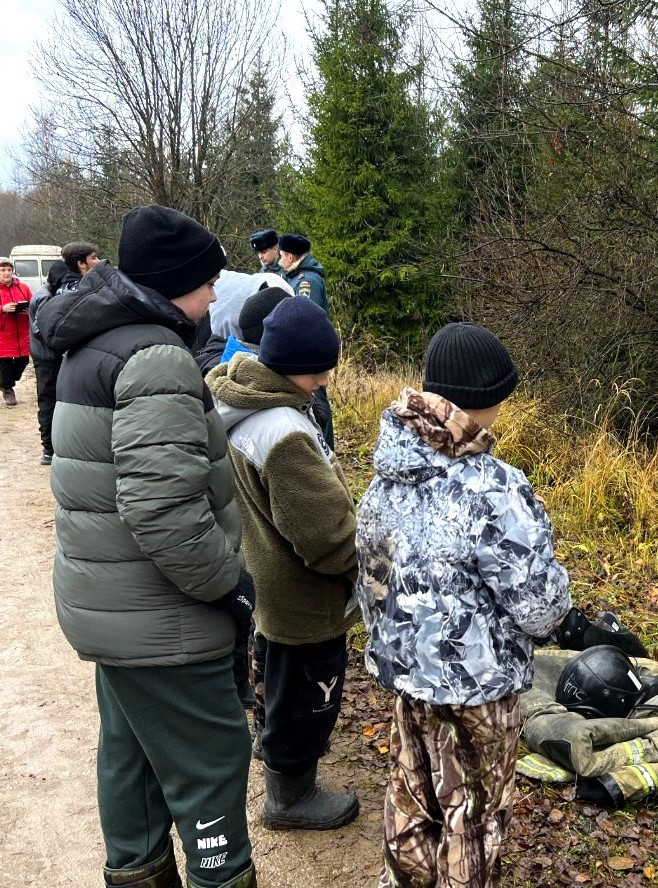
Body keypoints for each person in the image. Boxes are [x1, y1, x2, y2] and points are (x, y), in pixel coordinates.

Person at [37, 204, 257, 888]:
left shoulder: (93, 341)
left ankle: (136, 872)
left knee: (130, 763)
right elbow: (163, 511)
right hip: (164, 619)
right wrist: (231, 585)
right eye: (207, 281)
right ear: (174, 282)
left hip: (114, 607)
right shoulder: (156, 356)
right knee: (210, 763)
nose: (216, 295)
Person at [354, 322, 572, 887]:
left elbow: (371, 579)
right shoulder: (493, 487)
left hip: (406, 676)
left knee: (413, 791)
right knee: (473, 815)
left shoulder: (386, 471)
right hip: (479, 691)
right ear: (485, 400)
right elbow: (540, 608)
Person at [207, 297, 360, 831]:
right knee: (307, 698)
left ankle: (271, 756)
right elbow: (325, 537)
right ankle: (290, 798)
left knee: (274, 678)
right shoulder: (285, 433)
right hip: (302, 597)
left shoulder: (238, 400)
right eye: (320, 371)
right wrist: (362, 570)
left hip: (262, 577)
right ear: (296, 365)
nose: (323, 382)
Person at [29, 244, 101, 463]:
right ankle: (49, 449)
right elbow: (44, 331)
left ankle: (64, 444)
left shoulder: (55, 291)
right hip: (47, 358)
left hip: (58, 355)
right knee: (49, 401)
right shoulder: (44, 297)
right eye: (94, 258)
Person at [278, 233, 334, 449]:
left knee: (317, 400)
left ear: (290, 257)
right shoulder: (293, 276)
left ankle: (325, 447)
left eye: (282, 255)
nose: (280, 260)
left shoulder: (307, 281)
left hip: (310, 352)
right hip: (305, 350)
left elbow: (304, 318)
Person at [0, 256, 33, 407]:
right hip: (3, 334)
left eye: (9, 269)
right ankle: (8, 390)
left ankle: (5, 382)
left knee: (23, 361)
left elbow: (34, 303)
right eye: (2, 270)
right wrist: (2, 308)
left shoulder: (23, 287)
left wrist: (29, 310)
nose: (7, 273)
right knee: (5, 365)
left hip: (22, 332)